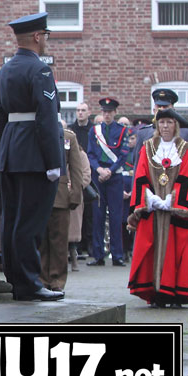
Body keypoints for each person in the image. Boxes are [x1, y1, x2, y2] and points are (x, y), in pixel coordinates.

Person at [0, 11, 64, 301]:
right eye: (44, 35)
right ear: (37, 36)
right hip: (34, 152)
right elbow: (47, 117)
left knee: (11, 219)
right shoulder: (40, 70)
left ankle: (16, 279)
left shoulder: (4, 70)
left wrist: (8, 144)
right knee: (31, 221)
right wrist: (54, 161)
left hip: (10, 149)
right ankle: (30, 281)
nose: (45, 40)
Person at [127, 108, 188, 307]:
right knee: (151, 246)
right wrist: (150, 198)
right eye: (161, 123)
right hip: (153, 207)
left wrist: (172, 200)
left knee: (175, 249)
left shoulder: (185, 148)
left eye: (169, 123)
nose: (165, 127)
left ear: (176, 125)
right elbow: (140, 174)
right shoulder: (147, 147)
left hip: (175, 209)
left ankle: (175, 294)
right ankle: (155, 293)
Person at [39, 118, 83, 291]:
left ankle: (57, 281)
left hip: (61, 195)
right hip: (41, 195)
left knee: (59, 243)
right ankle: (42, 279)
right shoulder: (37, 134)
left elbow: (76, 168)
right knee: (41, 241)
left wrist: (75, 195)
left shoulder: (68, 137)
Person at [86, 97, 130, 266]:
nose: (107, 115)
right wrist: (98, 170)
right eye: (104, 112)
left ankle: (117, 255)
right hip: (98, 176)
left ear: (115, 113)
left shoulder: (122, 131)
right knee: (97, 216)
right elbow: (90, 154)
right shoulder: (94, 131)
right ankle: (98, 255)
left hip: (115, 176)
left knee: (116, 216)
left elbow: (123, 155)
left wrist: (110, 171)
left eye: (110, 112)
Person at [133, 88, 188, 174]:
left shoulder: (186, 133)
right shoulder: (144, 133)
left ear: (173, 110)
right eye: (158, 106)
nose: (162, 109)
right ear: (154, 110)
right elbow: (137, 167)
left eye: (165, 107)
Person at [69, 102, 94, 257]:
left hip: (86, 171)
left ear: (89, 112)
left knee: (89, 215)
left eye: (83, 110)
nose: (80, 113)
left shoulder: (92, 130)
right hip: (70, 178)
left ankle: (87, 244)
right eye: (78, 110)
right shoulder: (71, 130)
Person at [67, 145, 91, 271]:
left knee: (73, 230)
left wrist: (74, 185)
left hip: (74, 195)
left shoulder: (81, 155)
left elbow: (86, 174)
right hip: (58, 193)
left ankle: (74, 257)